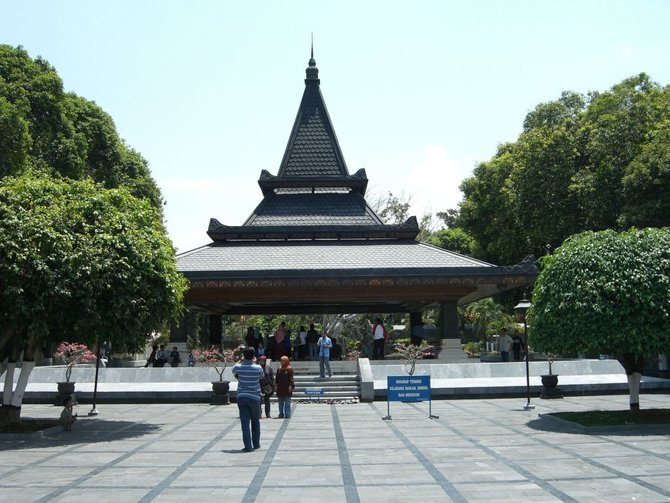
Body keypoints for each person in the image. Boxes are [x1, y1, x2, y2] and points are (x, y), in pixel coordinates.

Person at [232, 347, 264, 452]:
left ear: (243, 355)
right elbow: (261, 377)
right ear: (254, 356)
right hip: (254, 397)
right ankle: (256, 443)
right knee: (255, 421)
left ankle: (248, 446)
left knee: (245, 422)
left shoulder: (238, 367)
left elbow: (233, 370)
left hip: (242, 396)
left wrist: (241, 360)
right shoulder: (258, 368)